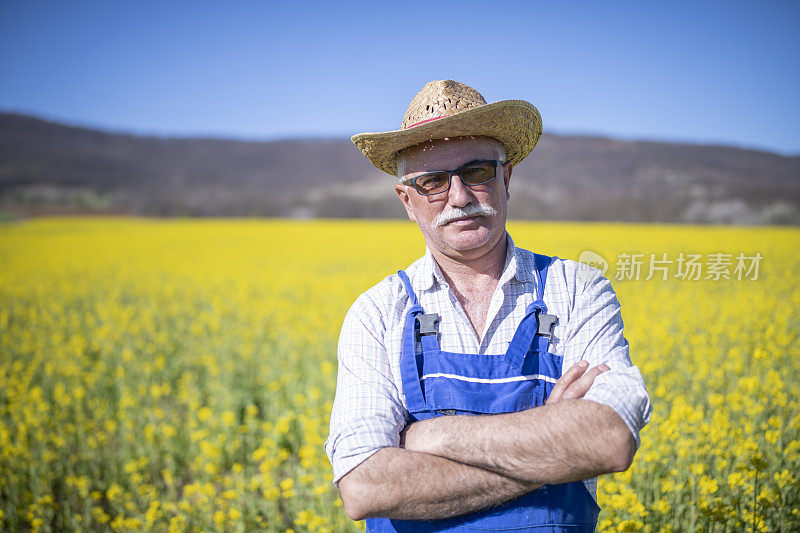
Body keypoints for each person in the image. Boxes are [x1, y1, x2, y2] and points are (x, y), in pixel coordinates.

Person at [324, 79, 652, 532]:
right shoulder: (378, 313)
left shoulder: (577, 290)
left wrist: (430, 436)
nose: (459, 197)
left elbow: (608, 439)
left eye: (477, 172)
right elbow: (365, 487)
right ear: (407, 201)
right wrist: (552, 445)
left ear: (507, 177)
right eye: (433, 182)